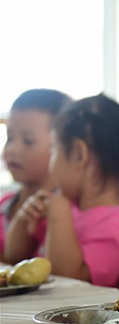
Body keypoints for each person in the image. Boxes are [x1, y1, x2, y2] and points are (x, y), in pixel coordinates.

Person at [4, 94, 119, 287]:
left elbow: (67, 283)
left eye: (54, 150)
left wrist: (58, 216)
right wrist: (23, 220)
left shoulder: (118, 223)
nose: (51, 162)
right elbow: (14, 258)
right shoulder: (69, 208)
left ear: (78, 154)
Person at [0, 89, 72, 262]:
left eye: (28, 141)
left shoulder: (66, 214)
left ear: (61, 145)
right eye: (9, 138)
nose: (12, 149)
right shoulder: (4, 205)